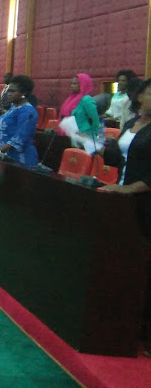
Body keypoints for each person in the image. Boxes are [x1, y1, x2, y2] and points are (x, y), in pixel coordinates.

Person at [98, 77, 151, 357]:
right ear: (140, 96)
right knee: (126, 265)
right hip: (124, 202)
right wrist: (107, 149)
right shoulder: (131, 124)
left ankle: (146, 332)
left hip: (143, 201)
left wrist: (128, 189)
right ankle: (126, 325)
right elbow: (123, 160)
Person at [0, 75, 39, 167]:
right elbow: (1, 134)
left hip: (20, 159)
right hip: (4, 155)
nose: (9, 94)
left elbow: (20, 137)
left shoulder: (28, 111)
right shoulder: (12, 108)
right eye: (8, 91)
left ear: (24, 93)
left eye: (12, 91)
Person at [58, 73, 100, 148]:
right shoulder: (71, 98)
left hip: (85, 136)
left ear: (83, 84)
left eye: (75, 83)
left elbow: (95, 121)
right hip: (73, 136)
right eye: (72, 83)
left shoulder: (87, 100)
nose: (72, 86)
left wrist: (93, 137)